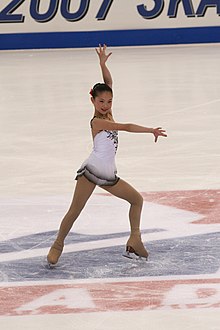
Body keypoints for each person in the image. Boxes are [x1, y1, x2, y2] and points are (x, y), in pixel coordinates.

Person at [47, 44, 167, 266]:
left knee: (136, 200)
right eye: (101, 101)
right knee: (75, 210)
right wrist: (150, 129)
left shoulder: (108, 112)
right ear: (92, 100)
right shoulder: (98, 121)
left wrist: (103, 65)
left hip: (109, 174)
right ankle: (57, 245)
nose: (105, 104)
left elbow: (108, 84)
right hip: (92, 171)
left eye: (109, 101)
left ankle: (135, 240)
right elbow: (128, 126)